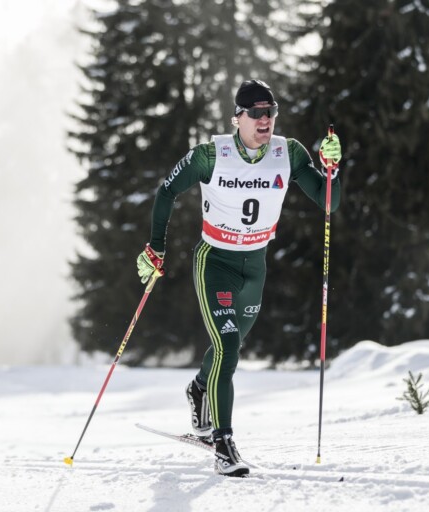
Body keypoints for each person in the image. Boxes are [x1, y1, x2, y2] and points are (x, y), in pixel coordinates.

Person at [136, 79, 342, 477]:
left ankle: (199, 388)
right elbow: (166, 192)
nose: (265, 120)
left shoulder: (288, 152)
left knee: (228, 346)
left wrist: (332, 170)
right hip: (215, 261)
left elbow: (329, 202)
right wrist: (156, 248)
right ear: (237, 118)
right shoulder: (211, 155)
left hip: (255, 265)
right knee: (228, 346)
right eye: (256, 113)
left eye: (271, 112)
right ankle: (223, 445)